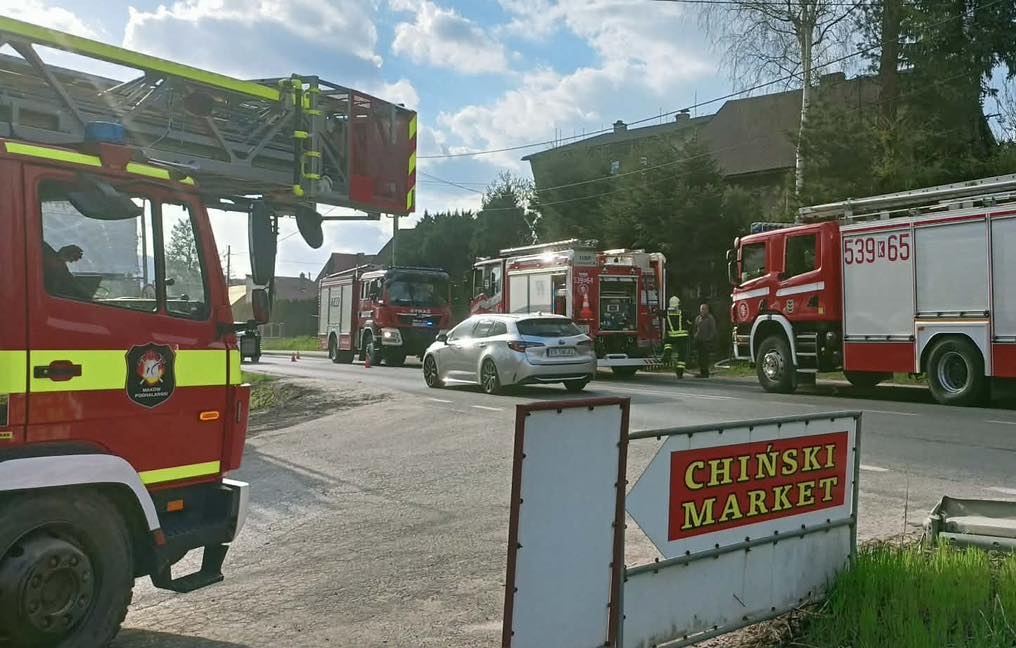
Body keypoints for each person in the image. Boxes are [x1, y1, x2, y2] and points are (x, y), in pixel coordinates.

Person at [694, 302, 717, 378]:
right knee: (699, 357)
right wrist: (695, 336)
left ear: (707, 310)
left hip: (706, 341)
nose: (702, 311)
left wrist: (709, 339)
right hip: (698, 341)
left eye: (704, 309)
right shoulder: (698, 318)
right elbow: (695, 328)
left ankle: (705, 373)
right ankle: (701, 372)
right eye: (701, 309)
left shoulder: (710, 318)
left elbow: (713, 330)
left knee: (704, 358)